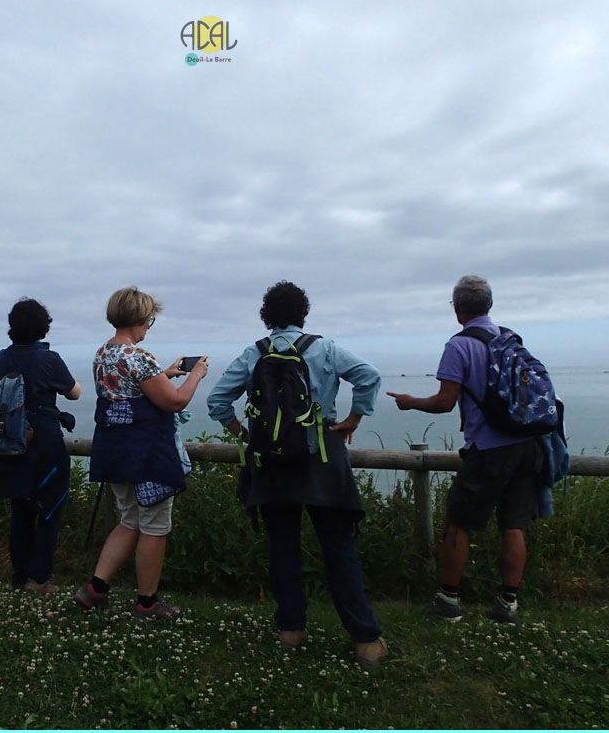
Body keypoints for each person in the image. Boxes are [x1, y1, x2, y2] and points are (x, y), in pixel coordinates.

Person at [206, 280, 388, 667]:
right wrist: (354, 417)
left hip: (271, 463)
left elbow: (217, 400)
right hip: (321, 458)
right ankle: (365, 640)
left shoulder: (254, 353)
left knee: (282, 547)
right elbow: (369, 375)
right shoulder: (325, 349)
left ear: (266, 316)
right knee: (338, 547)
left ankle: (290, 630)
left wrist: (245, 434)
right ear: (304, 313)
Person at [387, 275, 543, 624]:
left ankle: (449, 600)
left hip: (488, 449)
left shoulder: (459, 346)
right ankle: (508, 604)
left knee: (458, 523)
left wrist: (411, 402)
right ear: (489, 305)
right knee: (513, 525)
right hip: (526, 444)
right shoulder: (509, 338)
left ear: (457, 308)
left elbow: (445, 402)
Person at [74, 286, 208, 619]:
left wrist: (166, 374)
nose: (150, 326)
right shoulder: (138, 356)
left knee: (129, 519)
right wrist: (195, 376)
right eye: (150, 320)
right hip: (146, 454)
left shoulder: (102, 354)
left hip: (115, 451)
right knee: (154, 525)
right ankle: (147, 603)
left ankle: (95, 589)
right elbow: (174, 401)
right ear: (142, 319)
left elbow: (127, 390)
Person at [0, 298, 82, 593]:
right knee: (50, 508)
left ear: (12, 327)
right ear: (44, 328)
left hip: (10, 443)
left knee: (20, 508)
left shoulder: (0, 359)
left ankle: (20, 576)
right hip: (44, 442)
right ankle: (40, 578)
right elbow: (74, 393)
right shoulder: (49, 359)